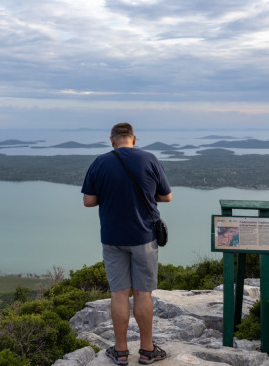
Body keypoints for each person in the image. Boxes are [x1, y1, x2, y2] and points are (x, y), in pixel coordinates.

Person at [81, 123, 172, 365]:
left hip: (112, 237)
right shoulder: (149, 159)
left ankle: (120, 352)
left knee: (119, 294)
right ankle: (147, 350)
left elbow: (88, 201)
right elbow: (167, 196)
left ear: (112, 140)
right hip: (144, 237)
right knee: (143, 293)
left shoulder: (100, 162)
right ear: (134, 139)